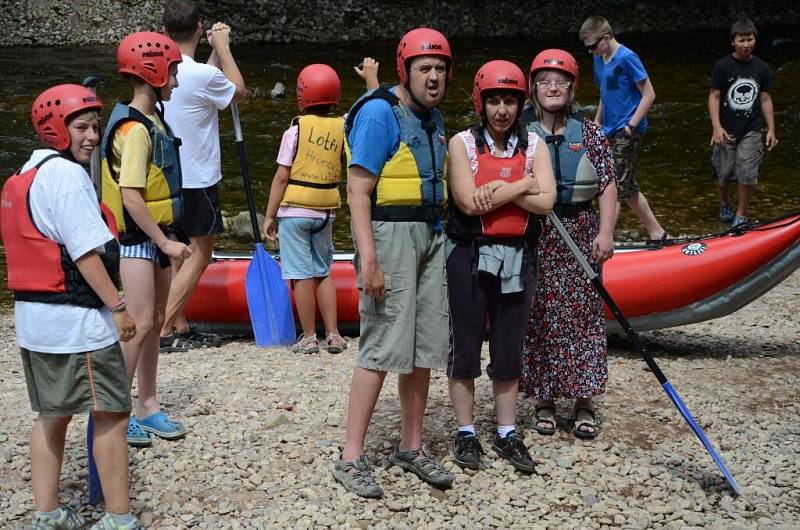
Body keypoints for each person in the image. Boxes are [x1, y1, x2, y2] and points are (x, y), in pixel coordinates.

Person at [0, 84, 142, 529]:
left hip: (33, 323)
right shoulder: (66, 177)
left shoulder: (25, 174)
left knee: (52, 415)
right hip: (77, 326)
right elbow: (85, 254)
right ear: (55, 130)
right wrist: (119, 306)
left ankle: (48, 514)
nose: (92, 136)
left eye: (95, 127)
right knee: (113, 414)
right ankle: (119, 519)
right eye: (81, 127)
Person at [332, 28, 455, 498]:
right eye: (425, 68)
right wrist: (370, 260)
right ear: (405, 70)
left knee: (424, 347)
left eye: (441, 68)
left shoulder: (434, 118)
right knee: (381, 346)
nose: (434, 77)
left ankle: (411, 446)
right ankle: (350, 456)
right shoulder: (381, 114)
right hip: (390, 237)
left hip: (430, 236)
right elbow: (357, 191)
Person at [446, 60, 555, 473]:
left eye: (510, 100)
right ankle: (466, 432)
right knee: (466, 344)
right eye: (494, 100)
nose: (503, 110)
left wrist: (507, 190)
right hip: (470, 255)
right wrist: (525, 184)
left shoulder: (536, 144)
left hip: (519, 256)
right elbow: (468, 202)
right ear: (481, 102)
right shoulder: (462, 144)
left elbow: (546, 202)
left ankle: (508, 432)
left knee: (509, 346)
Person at [100, 31, 192, 447]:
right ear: (153, 71)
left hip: (158, 237)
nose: (174, 81)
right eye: (172, 72)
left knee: (155, 322)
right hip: (140, 239)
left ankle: (149, 405)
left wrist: (168, 238)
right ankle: (116, 410)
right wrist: (166, 242)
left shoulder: (154, 119)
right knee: (137, 325)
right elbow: (131, 197)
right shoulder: (135, 131)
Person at [520, 49, 617, 439]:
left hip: (581, 233)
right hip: (536, 233)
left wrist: (606, 232)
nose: (553, 87)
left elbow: (608, 185)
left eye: (560, 81)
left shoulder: (591, 133)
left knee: (584, 318)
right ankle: (543, 397)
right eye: (544, 81)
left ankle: (583, 400)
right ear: (533, 88)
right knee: (537, 314)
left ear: (573, 88)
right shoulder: (522, 134)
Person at [160, 0, 248, 350]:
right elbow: (238, 92)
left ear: (164, 32)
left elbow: (203, 80)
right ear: (199, 28)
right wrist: (224, 49)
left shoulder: (165, 70)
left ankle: (179, 325)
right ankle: (164, 327)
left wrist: (212, 53)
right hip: (198, 177)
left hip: (167, 178)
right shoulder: (204, 76)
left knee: (176, 252)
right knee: (200, 252)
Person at [262, 63, 347, 354]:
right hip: (325, 212)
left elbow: (282, 176)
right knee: (323, 272)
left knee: (300, 275)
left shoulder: (295, 130)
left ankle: (309, 337)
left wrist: (270, 215)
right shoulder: (341, 127)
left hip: (295, 212)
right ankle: (334, 334)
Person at [579, 16, 666, 242]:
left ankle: (602, 238)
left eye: (592, 46)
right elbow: (604, 95)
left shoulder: (627, 58)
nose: (590, 52)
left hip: (628, 129)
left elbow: (649, 94)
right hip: (609, 128)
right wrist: (597, 124)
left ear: (606, 37)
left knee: (613, 186)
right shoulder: (599, 59)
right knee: (627, 185)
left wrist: (631, 126)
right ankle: (657, 232)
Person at [709, 17, 778, 227]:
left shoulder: (762, 68)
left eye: (750, 39)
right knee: (724, 173)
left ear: (755, 40)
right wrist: (716, 126)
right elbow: (714, 97)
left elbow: (765, 99)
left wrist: (771, 130)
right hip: (726, 129)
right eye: (742, 40)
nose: (746, 44)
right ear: (733, 42)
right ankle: (725, 201)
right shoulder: (722, 66)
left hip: (752, 129)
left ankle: (742, 213)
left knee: (747, 172)